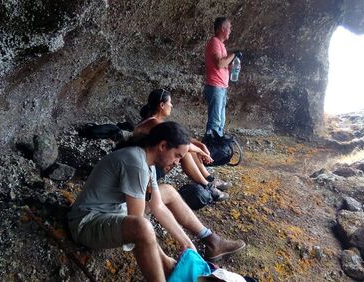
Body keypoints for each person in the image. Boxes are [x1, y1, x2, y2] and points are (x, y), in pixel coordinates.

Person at [68, 122, 246, 281]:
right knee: (143, 227)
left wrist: (187, 244)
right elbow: (137, 223)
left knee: (167, 190)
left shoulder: (148, 162)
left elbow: (158, 206)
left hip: (112, 212)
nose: (177, 162)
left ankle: (210, 240)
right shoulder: (135, 163)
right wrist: (166, 260)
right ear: (162, 146)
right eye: (177, 155)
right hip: (86, 223)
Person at [134, 89, 232, 201]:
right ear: (162, 105)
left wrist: (200, 145)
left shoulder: (154, 121)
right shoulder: (153, 123)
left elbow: (182, 137)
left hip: (151, 164)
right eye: (169, 102)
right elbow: (181, 143)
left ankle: (209, 180)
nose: (171, 105)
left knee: (187, 150)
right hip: (146, 170)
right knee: (184, 153)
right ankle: (208, 186)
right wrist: (201, 152)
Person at [204, 17, 242, 137]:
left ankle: (217, 149)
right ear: (223, 28)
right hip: (215, 87)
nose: (231, 30)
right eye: (229, 27)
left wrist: (233, 67)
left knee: (220, 122)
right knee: (215, 122)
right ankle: (211, 148)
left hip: (221, 88)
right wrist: (234, 55)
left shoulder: (221, 45)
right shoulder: (215, 42)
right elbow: (219, 63)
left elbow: (222, 66)